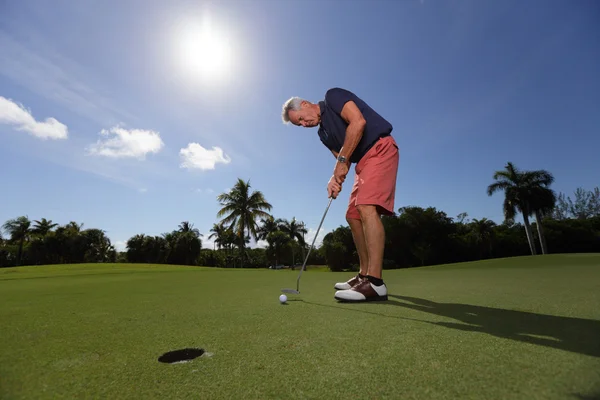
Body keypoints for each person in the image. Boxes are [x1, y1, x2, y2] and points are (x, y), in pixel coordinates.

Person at [281, 87, 399, 302]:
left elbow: (358, 123)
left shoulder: (332, 96)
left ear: (305, 104)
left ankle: (375, 282)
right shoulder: (322, 134)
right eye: (300, 125)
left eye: (301, 119)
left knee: (366, 207)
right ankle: (364, 275)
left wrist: (342, 163)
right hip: (362, 163)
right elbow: (342, 158)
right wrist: (334, 179)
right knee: (352, 216)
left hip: (380, 148)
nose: (304, 125)